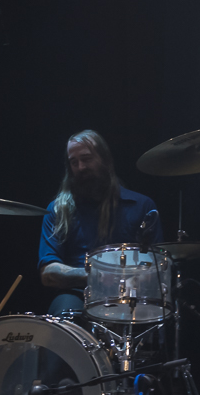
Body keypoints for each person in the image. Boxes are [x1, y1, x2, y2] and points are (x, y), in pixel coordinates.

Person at [38, 129, 163, 315]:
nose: (81, 167)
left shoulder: (142, 206)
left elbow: (157, 266)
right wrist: (95, 275)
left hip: (130, 295)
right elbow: (48, 273)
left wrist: (127, 279)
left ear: (105, 160)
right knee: (61, 316)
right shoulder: (58, 209)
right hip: (78, 294)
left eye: (86, 159)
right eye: (74, 162)